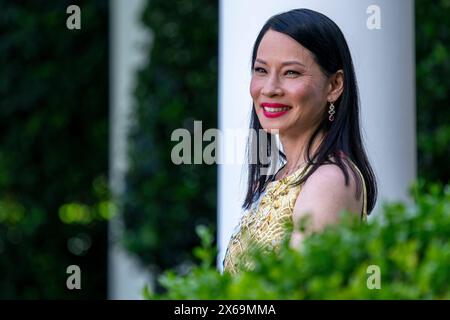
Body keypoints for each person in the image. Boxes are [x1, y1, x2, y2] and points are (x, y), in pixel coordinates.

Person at [222, 8, 378, 274]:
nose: (270, 88)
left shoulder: (330, 180)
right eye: (261, 70)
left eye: (291, 73)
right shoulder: (284, 176)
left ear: (334, 86)